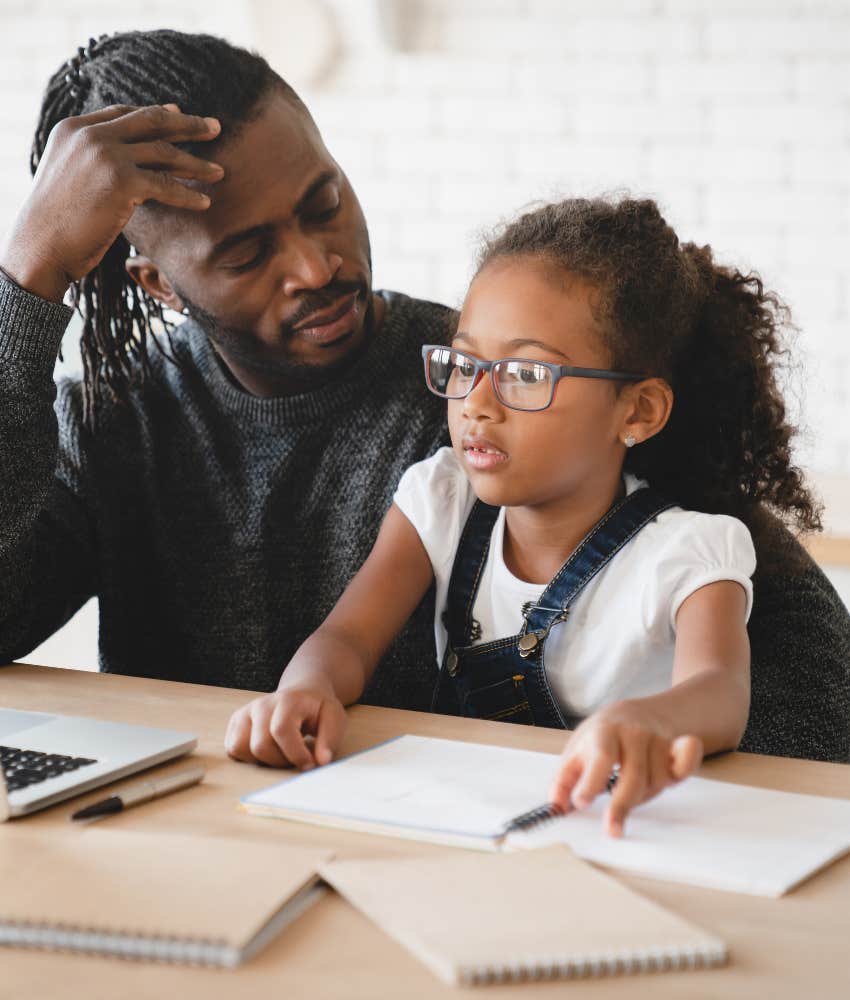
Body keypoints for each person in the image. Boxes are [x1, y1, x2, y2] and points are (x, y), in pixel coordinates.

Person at [0, 31, 847, 762]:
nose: (317, 265)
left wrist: (603, 735)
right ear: (159, 285)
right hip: (203, 846)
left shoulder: (520, 400)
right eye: (248, 253)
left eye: (323, 204)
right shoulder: (115, 422)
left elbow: (825, 686)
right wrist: (26, 280)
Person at [224, 196, 827, 833]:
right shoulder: (441, 498)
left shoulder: (689, 550)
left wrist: (648, 721)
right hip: (465, 817)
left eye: (526, 372)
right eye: (465, 364)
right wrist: (305, 689)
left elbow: (721, 693)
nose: (477, 403)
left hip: (622, 827)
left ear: (638, 411)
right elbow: (347, 637)